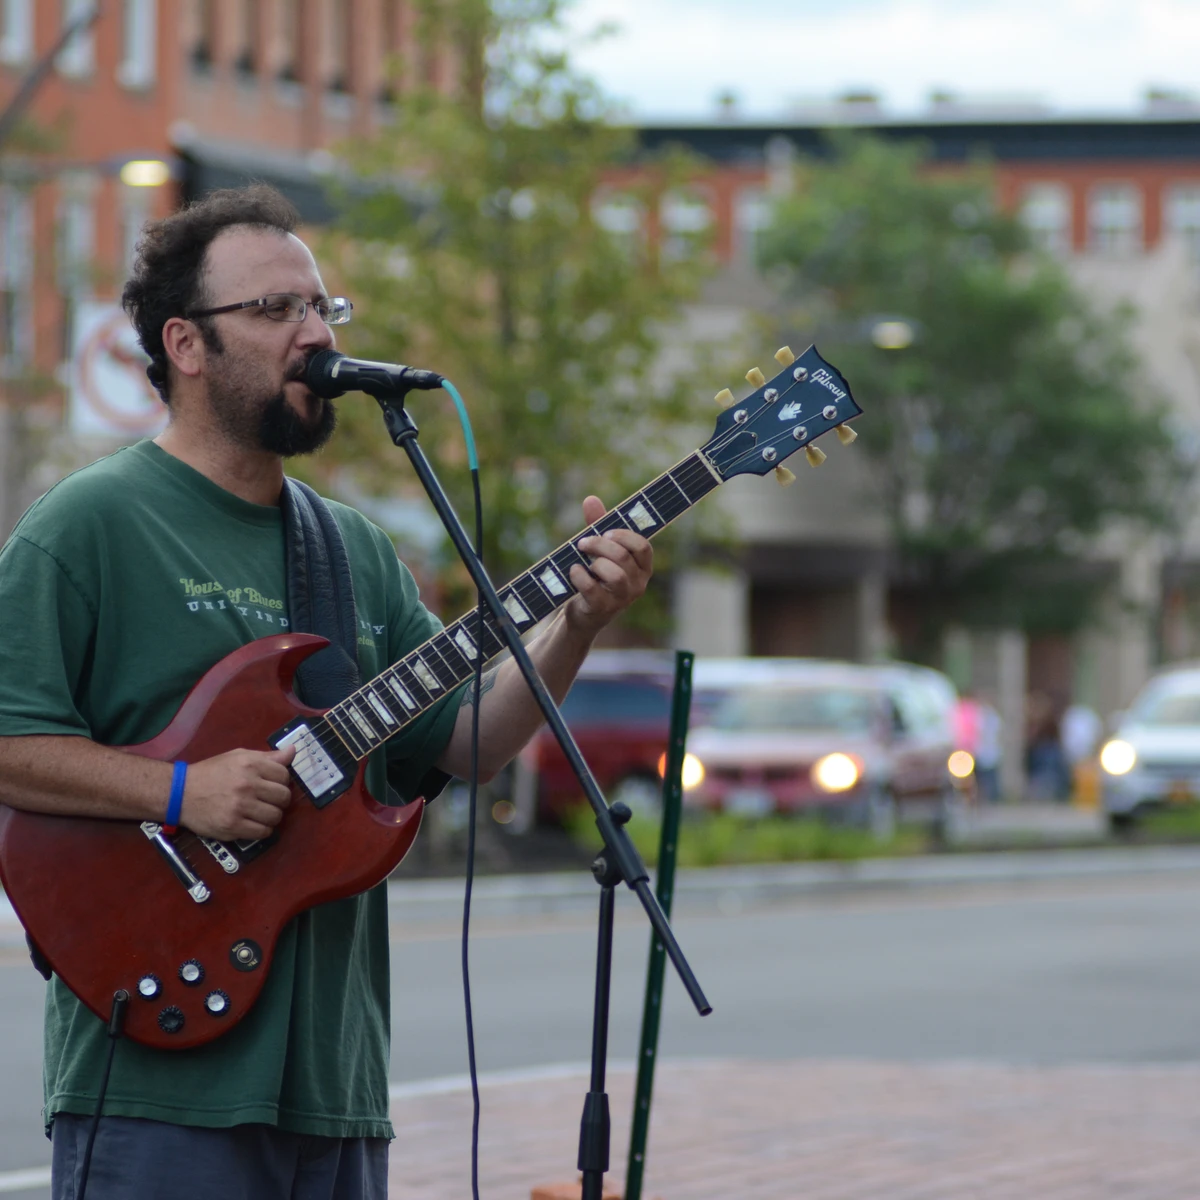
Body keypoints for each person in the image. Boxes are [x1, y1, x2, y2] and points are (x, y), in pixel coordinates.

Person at [0, 185, 653, 1200]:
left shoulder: (350, 550)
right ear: (186, 344)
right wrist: (180, 795)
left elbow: (470, 744)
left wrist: (575, 623)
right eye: (274, 311)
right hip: (158, 1090)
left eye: (321, 309)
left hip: (337, 1089)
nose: (312, 334)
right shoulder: (90, 525)